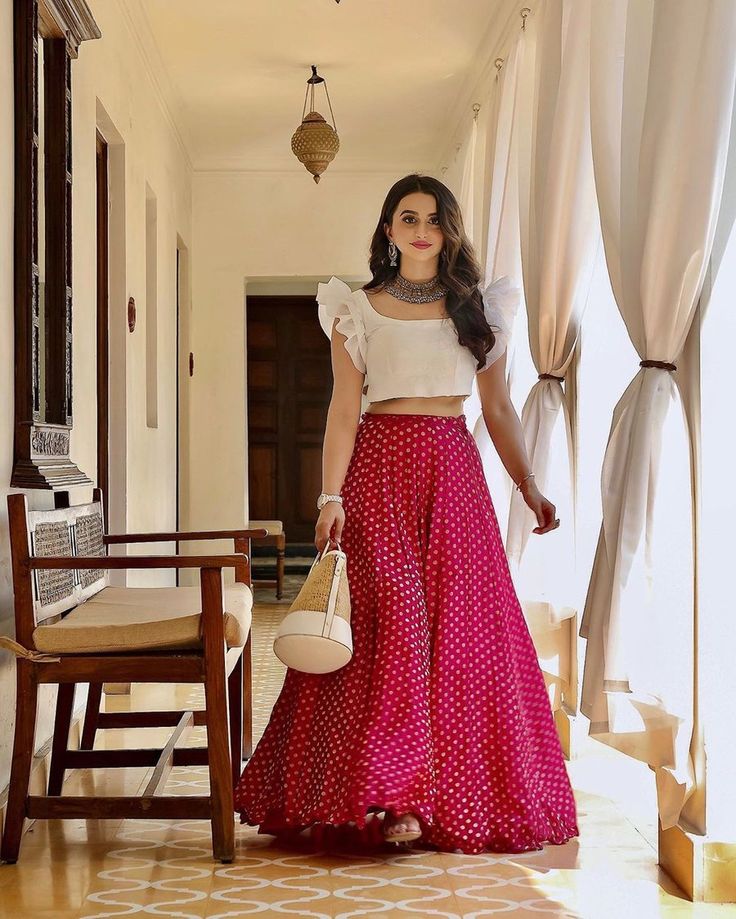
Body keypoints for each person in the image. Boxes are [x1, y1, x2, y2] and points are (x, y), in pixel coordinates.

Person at [234, 173, 579, 855]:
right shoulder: (355, 309)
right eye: (408, 216)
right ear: (389, 230)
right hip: (379, 469)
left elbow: (501, 409)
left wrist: (530, 485)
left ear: (448, 231)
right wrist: (330, 497)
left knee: (459, 633)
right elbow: (341, 410)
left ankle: (426, 798)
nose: (422, 229)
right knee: (390, 622)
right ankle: (388, 793)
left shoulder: (479, 310)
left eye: (434, 218)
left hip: (453, 474)